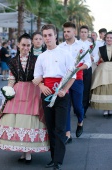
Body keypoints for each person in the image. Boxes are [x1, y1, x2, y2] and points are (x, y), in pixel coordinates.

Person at [0, 33, 49, 164]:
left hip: (33, 91)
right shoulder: (12, 61)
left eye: (28, 45)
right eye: (23, 45)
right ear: (18, 45)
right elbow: (12, 78)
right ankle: (24, 152)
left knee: (29, 120)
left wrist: (39, 81)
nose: (26, 47)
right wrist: (8, 91)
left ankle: (28, 153)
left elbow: (41, 75)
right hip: (18, 92)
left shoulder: (37, 59)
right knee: (18, 121)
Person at [34, 24, 76, 170]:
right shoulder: (41, 57)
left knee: (60, 128)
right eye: (45, 35)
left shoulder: (65, 54)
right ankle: (53, 158)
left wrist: (64, 90)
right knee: (50, 128)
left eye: (49, 35)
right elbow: (37, 76)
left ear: (55, 36)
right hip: (46, 95)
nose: (47, 38)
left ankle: (58, 161)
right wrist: (41, 86)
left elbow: (72, 75)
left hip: (61, 94)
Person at [59, 22, 91, 143]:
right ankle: (67, 134)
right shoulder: (60, 47)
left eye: (68, 31)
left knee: (78, 106)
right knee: (66, 106)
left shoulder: (82, 46)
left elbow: (87, 63)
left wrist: (77, 68)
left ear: (74, 32)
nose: (66, 33)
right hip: (65, 80)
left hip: (77, 79)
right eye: (65, 31)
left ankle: (80, 122)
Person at [79, 25, 99, 117]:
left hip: (87, 68)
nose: (83, 33)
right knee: (78, 89)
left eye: (85, 32)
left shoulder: (91, 45)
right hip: (77, 69)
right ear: (79, 33)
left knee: (86, 89)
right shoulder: (75, 43)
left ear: (88, 33)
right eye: (82, 32)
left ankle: (84, 109)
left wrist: (93, 58)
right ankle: (78, 108)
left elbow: (97, 56)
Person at [91, 32, 112, 117]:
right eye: (107, 38)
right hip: (103, 71)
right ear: (105, 38)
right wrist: (91, 58)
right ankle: (105, 109)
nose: (109, 39)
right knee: (104, 89)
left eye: (111, 38)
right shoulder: (101, 48)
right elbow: (97, 57)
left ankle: (110, 109)